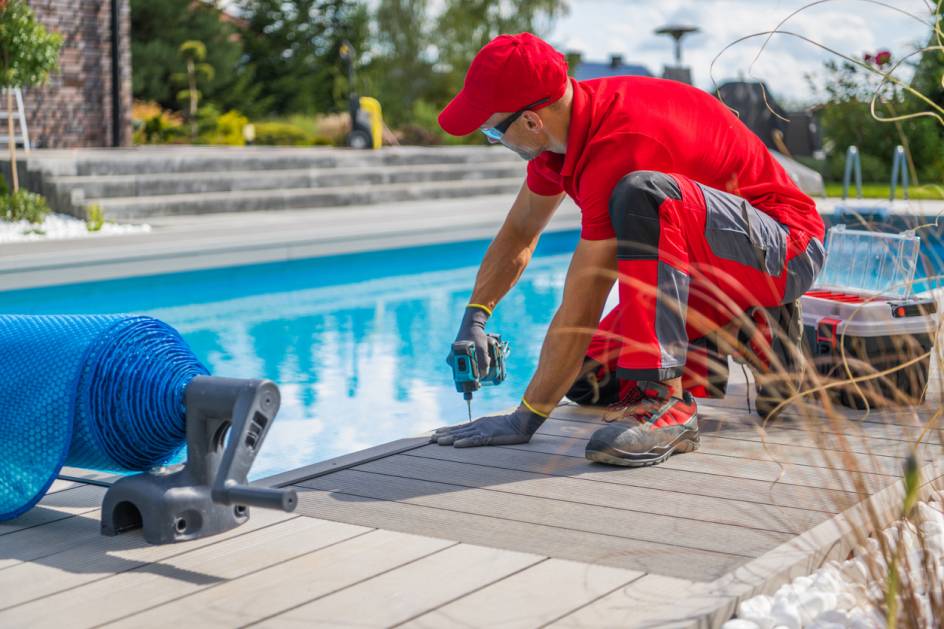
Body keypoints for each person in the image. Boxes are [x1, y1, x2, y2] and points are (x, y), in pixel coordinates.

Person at [430, 33, 825, 466]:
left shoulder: (620, 145)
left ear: (530, 122)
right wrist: (476, 316)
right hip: (714, 263)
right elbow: (520, 230)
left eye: (492, 130)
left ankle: (666, 403)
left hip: (784, 248)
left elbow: (582, 303)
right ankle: (739, 331)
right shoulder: (562, 138)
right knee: (587, 380)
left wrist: (524, 419)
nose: (495, 140)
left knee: (642, 195)